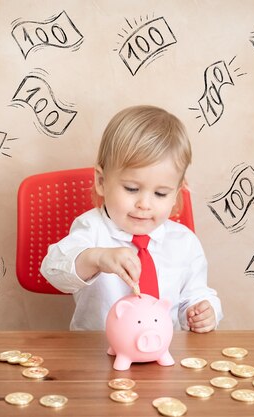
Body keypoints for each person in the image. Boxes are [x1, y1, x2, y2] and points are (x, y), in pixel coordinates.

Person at [40, 105, 223, 332]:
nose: (144, 204)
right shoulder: (92, 228)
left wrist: (203, 311)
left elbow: (195, 294)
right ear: (101, 181)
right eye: (131, 188)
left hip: (163, 352)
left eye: (160, 194)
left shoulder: (184, 242)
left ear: (176, 193)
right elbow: (53, 270)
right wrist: (96, 257)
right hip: (97, 353)